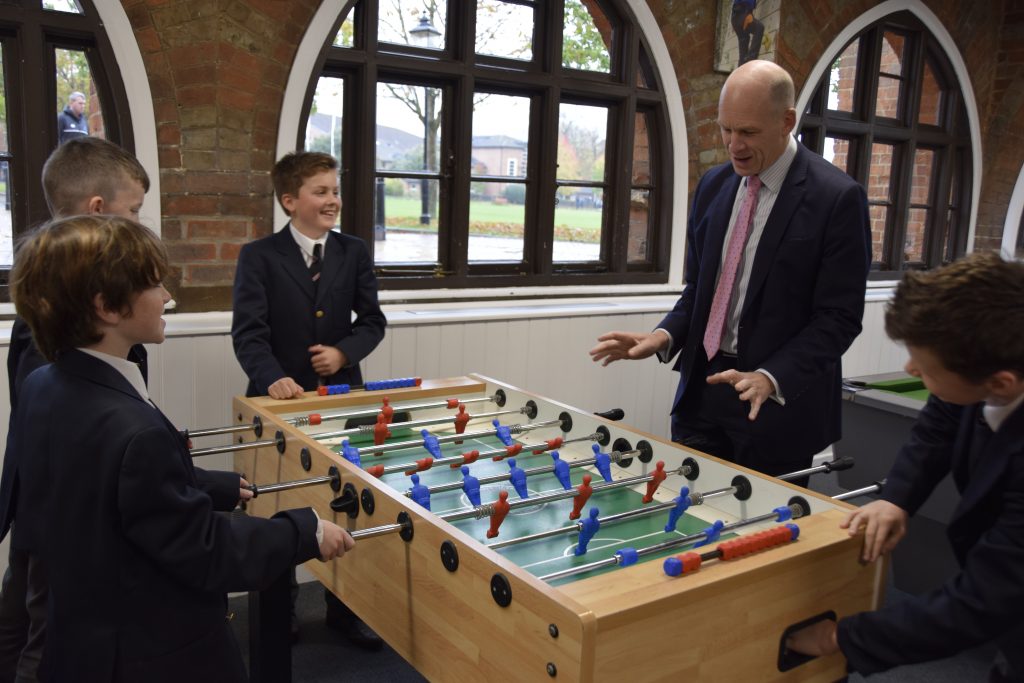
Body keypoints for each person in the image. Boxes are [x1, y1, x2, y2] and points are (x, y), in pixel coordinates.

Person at [2, 214, 354, 682]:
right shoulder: (133, 430)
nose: (169, 295)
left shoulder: (45, 384)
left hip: (76, 633)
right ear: (107, 306)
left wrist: (216, 486)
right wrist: (304, 531)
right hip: (148, 651)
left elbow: (116, 490)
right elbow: (206, 552)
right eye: (155, 284)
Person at [0, 136, 248, 683]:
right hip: (63, 534)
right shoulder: (58, 352)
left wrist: (202, 484)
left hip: (70, 526)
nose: (164, 296)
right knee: (38, 635)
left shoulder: (74, 323)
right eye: (134, 210)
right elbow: (87, 450)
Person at [590, 60, 870, 483]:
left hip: (776, 405)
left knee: (761, 541)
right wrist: (662, 336)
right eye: (726, 129)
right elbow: (701, 291)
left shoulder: (837, 198)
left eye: (749, 132)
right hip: (703, 391)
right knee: (686, 519)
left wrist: (770, 378)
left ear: (787, 121)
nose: (733, 144)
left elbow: (839, 317)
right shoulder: (714, 186)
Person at [786, 251, 1024, 681]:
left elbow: (984, 600)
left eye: (926, 368)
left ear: (1001, 383)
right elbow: (942, 417)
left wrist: (836, 638)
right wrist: (896, 498)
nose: (910, 369)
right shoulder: (989, 367)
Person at [231, 151, 386, 648]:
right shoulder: (257, 256)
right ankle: (284, 608)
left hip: (343, 400)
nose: (333, 200)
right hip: (281, 405)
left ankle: (347, 608)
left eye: (335, 191)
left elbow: (373, 322)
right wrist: (272, 376)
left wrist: (343, 353)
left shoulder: (354, 251)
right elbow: (248, 334)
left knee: (351, 504)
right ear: (289, 200)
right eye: (321, 192)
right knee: (283, 503)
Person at [731, 0, 765, 66]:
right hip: (742, 12)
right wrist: (748, 13)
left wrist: (735, 21)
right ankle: (751, 59)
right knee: (759, 27)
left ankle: (741, 72)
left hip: (735, 16)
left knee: (743, 56)